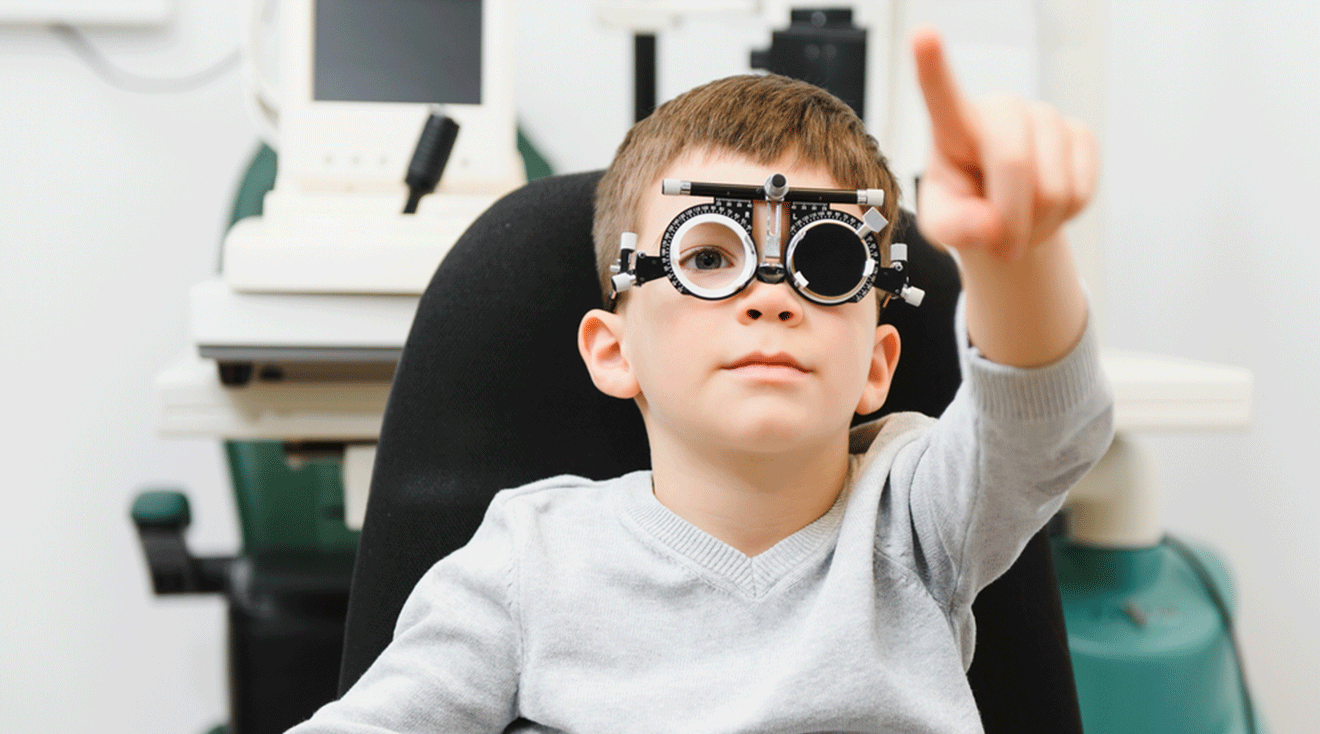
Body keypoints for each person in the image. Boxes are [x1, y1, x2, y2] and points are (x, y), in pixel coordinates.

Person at [288, 27, 1113, 734]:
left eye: (824, 261)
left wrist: (1018, 255)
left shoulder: (916, 519)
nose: (771, 296)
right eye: (709, 256)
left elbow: (1040, 428)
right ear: (615, 350)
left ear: (875, 366)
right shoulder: (532, 559)